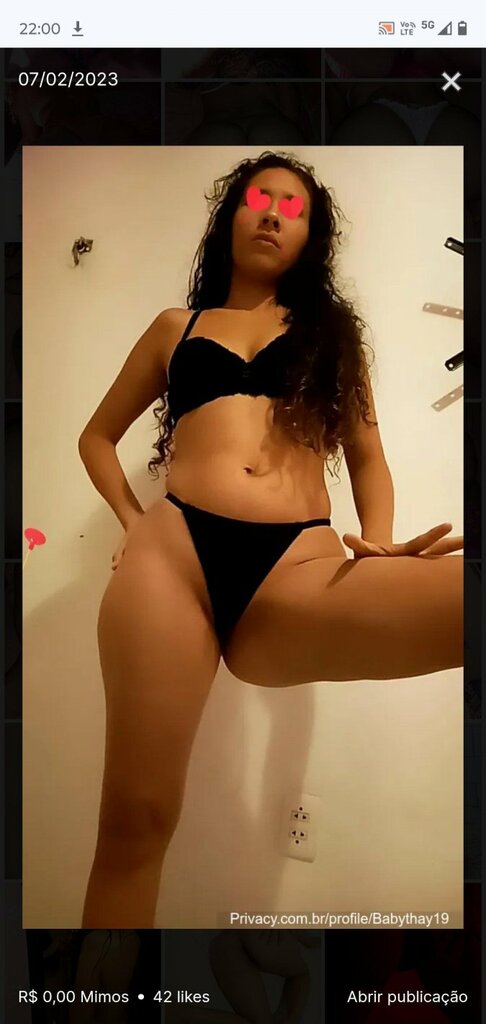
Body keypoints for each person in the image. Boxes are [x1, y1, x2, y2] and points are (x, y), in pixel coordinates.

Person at [78, 150, 463, 929]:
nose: (273, 214)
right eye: (260, 197)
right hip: (171, 561)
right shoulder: (175, 328)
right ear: (231, 216)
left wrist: (376, 544)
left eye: (294, 208)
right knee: (134, 824)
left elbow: (368, 459)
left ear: (310, 237)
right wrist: (135, 522)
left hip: (297, 564)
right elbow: (95, 438)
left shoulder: (332, 336)